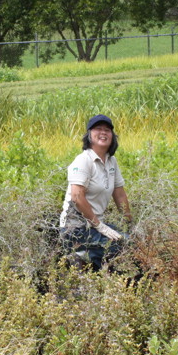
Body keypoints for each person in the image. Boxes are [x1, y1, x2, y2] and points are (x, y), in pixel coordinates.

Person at [58, 114, 133, 271]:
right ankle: (83, 261)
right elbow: (77, 196)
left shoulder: (111, 161)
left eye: (107, 130)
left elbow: (119, 194)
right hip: (76, 228)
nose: (103, 133)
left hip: (96, 225)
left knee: (132, 240)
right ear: (89, 135)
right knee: (121, 247)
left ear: (113, 136)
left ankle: (104, 273)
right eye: (98, 129)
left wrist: (129, 224)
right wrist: (100, 226)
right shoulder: (83, 160)